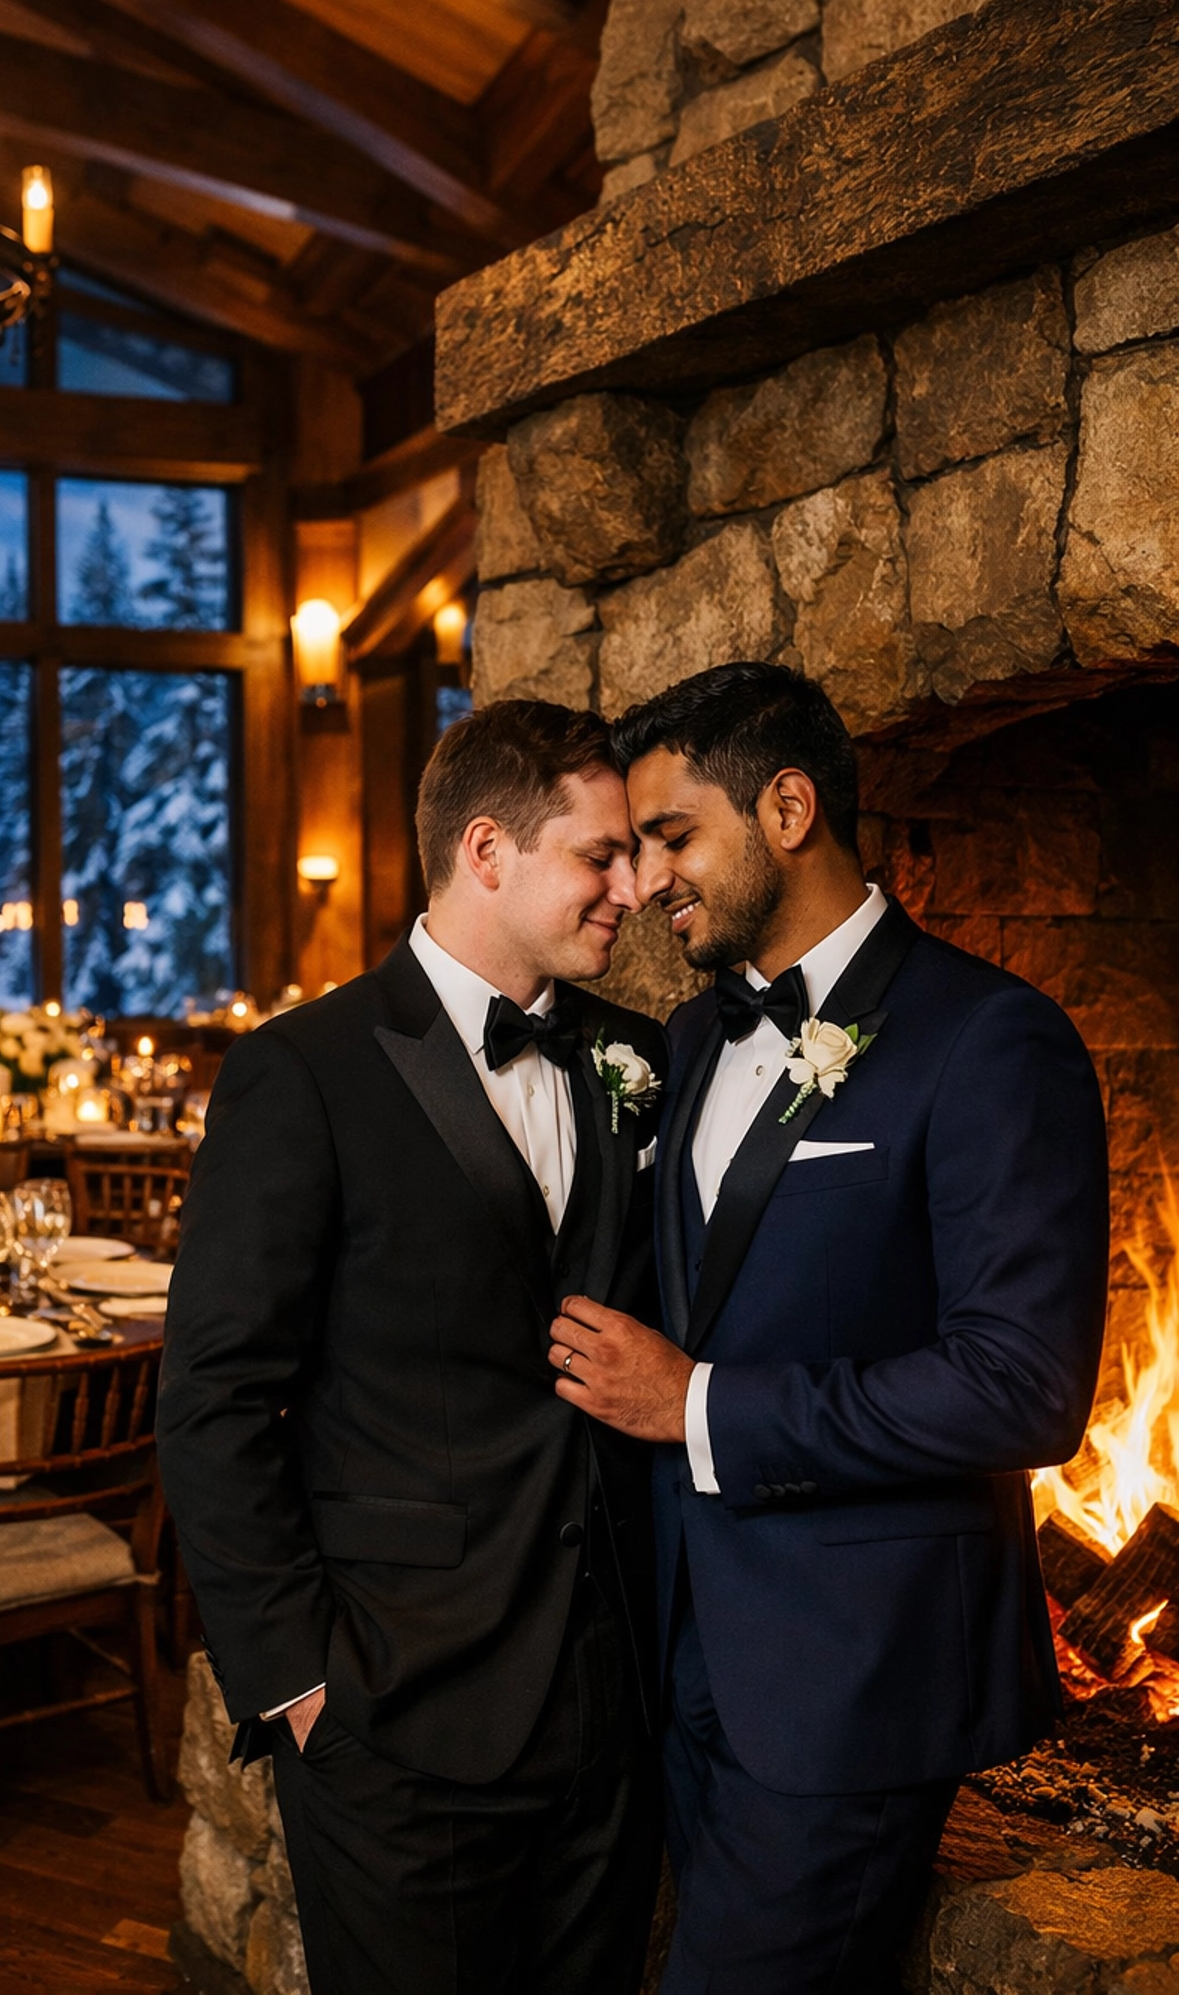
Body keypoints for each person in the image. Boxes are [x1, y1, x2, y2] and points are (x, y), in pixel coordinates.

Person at [547, 661, 1109, 1995]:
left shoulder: (992, 1041)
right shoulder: (686, 1041)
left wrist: (697, 1406)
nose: (651, 881)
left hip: (855, 1680)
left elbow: (1024, 1386)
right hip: (688, 1657)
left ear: (789, 807)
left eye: (676, 836)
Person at [158, 699, 668, 1995]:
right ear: (486, 850)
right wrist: (301, 1687)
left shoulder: (635, 1058)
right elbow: (213, 1400)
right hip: (399, 1713)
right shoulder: (305, 1072)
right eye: (599, 855)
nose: (636, 885)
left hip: (609, 1706)